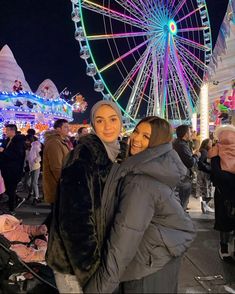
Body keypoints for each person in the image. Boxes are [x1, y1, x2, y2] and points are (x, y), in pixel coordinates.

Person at [85, 116, 196, 294]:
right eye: (137, 132)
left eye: (146, 137)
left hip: (148, 266)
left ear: (158, 143)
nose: (136, 139)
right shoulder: (150, 167)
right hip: (158, 256)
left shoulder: (140, 181)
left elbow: (125, 237)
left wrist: (99, 287)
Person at [46, 100, 124, 293]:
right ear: (93, 125)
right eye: (100, 120)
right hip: (76, 268)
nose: (107, 126)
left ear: (121, 121)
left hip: (101, 264)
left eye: (113, 119)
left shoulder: (117, 155)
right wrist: (90, 271)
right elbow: (74, 220)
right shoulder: (83, 156)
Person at [208, 125, 235, 263]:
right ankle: (224, 248)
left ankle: (225, 248)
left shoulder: (215, 154)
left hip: (223, 193)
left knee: (225, 222)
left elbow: (217, 175)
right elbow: (218, 175)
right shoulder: (215, 155)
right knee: (225, 221)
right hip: (225, 195)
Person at [42, 119, 71, 228]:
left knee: (57, 215)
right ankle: (40, 235)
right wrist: (65, 184)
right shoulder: (54, 143)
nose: (68, 129)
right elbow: (56, 167)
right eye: (65, 127)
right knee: (57, 215)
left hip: (60, 184)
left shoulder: (61, 141)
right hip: (57, 186)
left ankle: (40, 234)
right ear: (58, 129)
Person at [173, 124, 200, 210]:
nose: (192, 133)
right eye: (190, 132)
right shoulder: (181, 145)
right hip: (183, 178)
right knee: (182, 204)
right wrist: (196, 155)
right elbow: (190, 162)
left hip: (179, 176)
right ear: (185, 134)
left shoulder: (177, 143)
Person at [0, 124, 25, 213]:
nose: (5, 132)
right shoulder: (7, 140)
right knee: (6, 189)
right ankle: (12, 204)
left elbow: (17, 155)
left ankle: (12, 209)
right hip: (5, 170)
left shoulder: (19, 141)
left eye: (6, 130)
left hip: (13, 170)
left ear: (12, 131)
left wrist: (4, 151)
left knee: (11, 189)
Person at [197, 138, 214, 214]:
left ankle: (205, 205)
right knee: (208, 190)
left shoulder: (204, 151)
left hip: (203, 173)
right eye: (210, 143)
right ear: (206, 144)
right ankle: (204, 204)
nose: (211, 144)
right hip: (204, 173)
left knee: (205, 191)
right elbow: (200, 163)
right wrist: (209, 168)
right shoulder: (204, 151)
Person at [28, 140, 42, 205]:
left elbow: (39, 157)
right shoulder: (32, 148)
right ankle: (32, 194)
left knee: (34, 182)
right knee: (30, 182)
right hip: (32, 168)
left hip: (36, 167)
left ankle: (36, 197)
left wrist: (35, 160)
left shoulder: (36, 147)